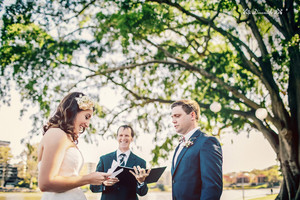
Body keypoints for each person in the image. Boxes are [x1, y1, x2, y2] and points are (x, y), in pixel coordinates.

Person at [37, 92, 110, 200]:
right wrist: (88, 179)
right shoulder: (56, 134)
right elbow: (46, 183)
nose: (87, 124)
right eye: (86, 117)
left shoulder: (64, 136)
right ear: (72, 112)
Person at [171, 99, 223, 200]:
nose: (173, 121)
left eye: (177, 116)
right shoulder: (179, 146)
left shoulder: (207, 142)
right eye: (172, 117)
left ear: (192, 115)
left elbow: (212, 187)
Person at [90, 125, 150, 200]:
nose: (123, 138)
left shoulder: (140, 162)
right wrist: (103, 183)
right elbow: (92, 187)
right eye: (121, 135)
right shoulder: (104, 160)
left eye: (127, 135)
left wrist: (141, 182)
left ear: (132, 138)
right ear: (117, 137)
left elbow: (142, 193)